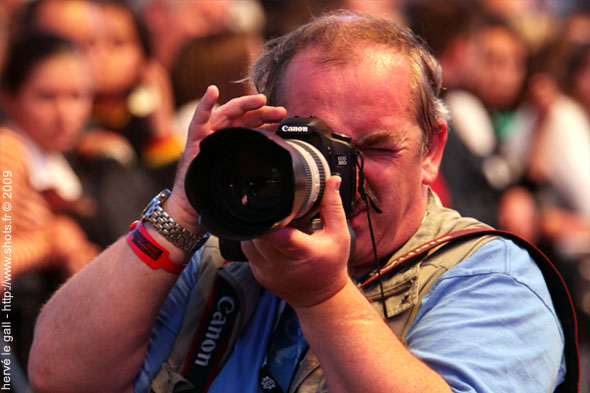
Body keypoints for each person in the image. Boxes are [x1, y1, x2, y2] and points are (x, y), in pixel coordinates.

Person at [28, 11, 571, 393]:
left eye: (375, 148)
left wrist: (324, 297)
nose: (341, 176)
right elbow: (59, 375)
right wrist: (184, 207)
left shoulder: (492, 276)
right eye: (318, 146)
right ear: (269, 133)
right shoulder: (223, 247)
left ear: (431, 151)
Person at [0, 31, 99, 375]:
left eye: (77, 96)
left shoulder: (58, 158)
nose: (65, 113)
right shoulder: (9, 151)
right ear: (10, 97)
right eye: (46, 97)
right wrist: (49, 242)